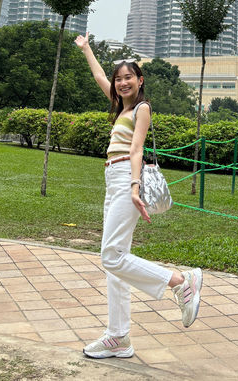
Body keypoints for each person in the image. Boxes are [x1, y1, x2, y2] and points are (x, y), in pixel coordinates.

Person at [74, 32, 202, 360]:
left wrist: (133, 186)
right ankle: (118, 337)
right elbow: (99, 75)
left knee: (111, 256)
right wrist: (87, 47)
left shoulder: (141, 109)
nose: (121, 82)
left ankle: (179, 282)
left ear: (140, 80)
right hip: (111, 179)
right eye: (119, 79)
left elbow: (137, 149)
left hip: (124, 178)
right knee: (114, 265)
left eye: (128, 77)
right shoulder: (119, 107)